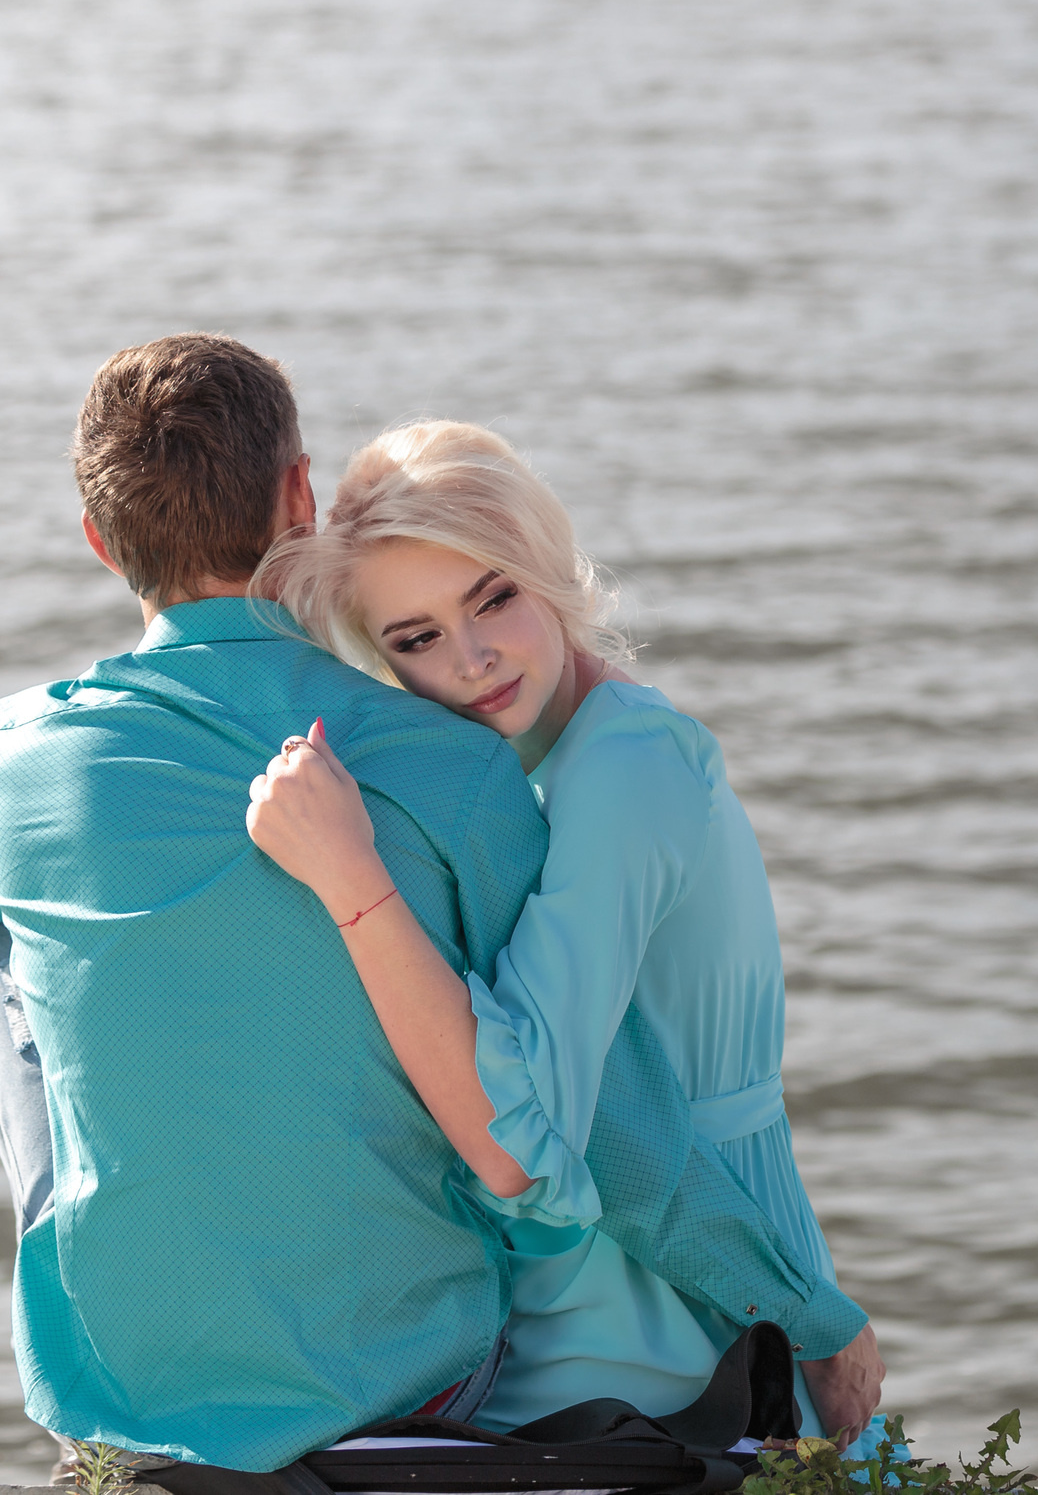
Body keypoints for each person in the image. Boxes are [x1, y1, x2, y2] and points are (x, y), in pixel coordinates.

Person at [0, 336, 867, 1479]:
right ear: (299, 497)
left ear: (96, 541)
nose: (460, 658)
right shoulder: (454, 768)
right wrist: (811, 1314)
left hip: (118, 1383)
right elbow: (606, 1131)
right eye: (419, 636)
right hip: (414, 1376)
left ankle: (87, 1262)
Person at [246, 420, 886, 1447]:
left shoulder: (622, 769)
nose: (473, 657)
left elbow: (537, 1125)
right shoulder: (535, 775)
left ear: (544, 565)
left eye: (491, 595)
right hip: (656, 1277)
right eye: (416, 639)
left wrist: (350, 877)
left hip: (666, 1329)